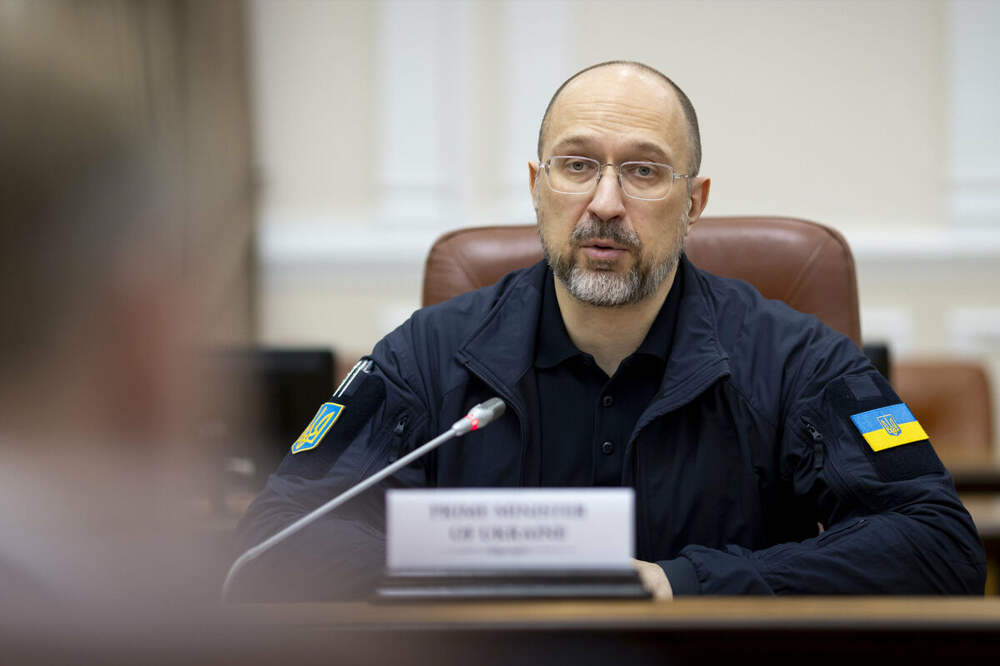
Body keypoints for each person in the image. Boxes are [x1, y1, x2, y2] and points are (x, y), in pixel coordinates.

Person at [234, 61, 986, 600]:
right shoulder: (425, 356)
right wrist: (467, 575)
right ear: (537, 188)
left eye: (644, 172)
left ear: (695, 203)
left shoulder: (798, 360)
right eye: (576, 166)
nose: (604, 202)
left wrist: (684, 584)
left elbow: (939, 544)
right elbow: (278, 533)